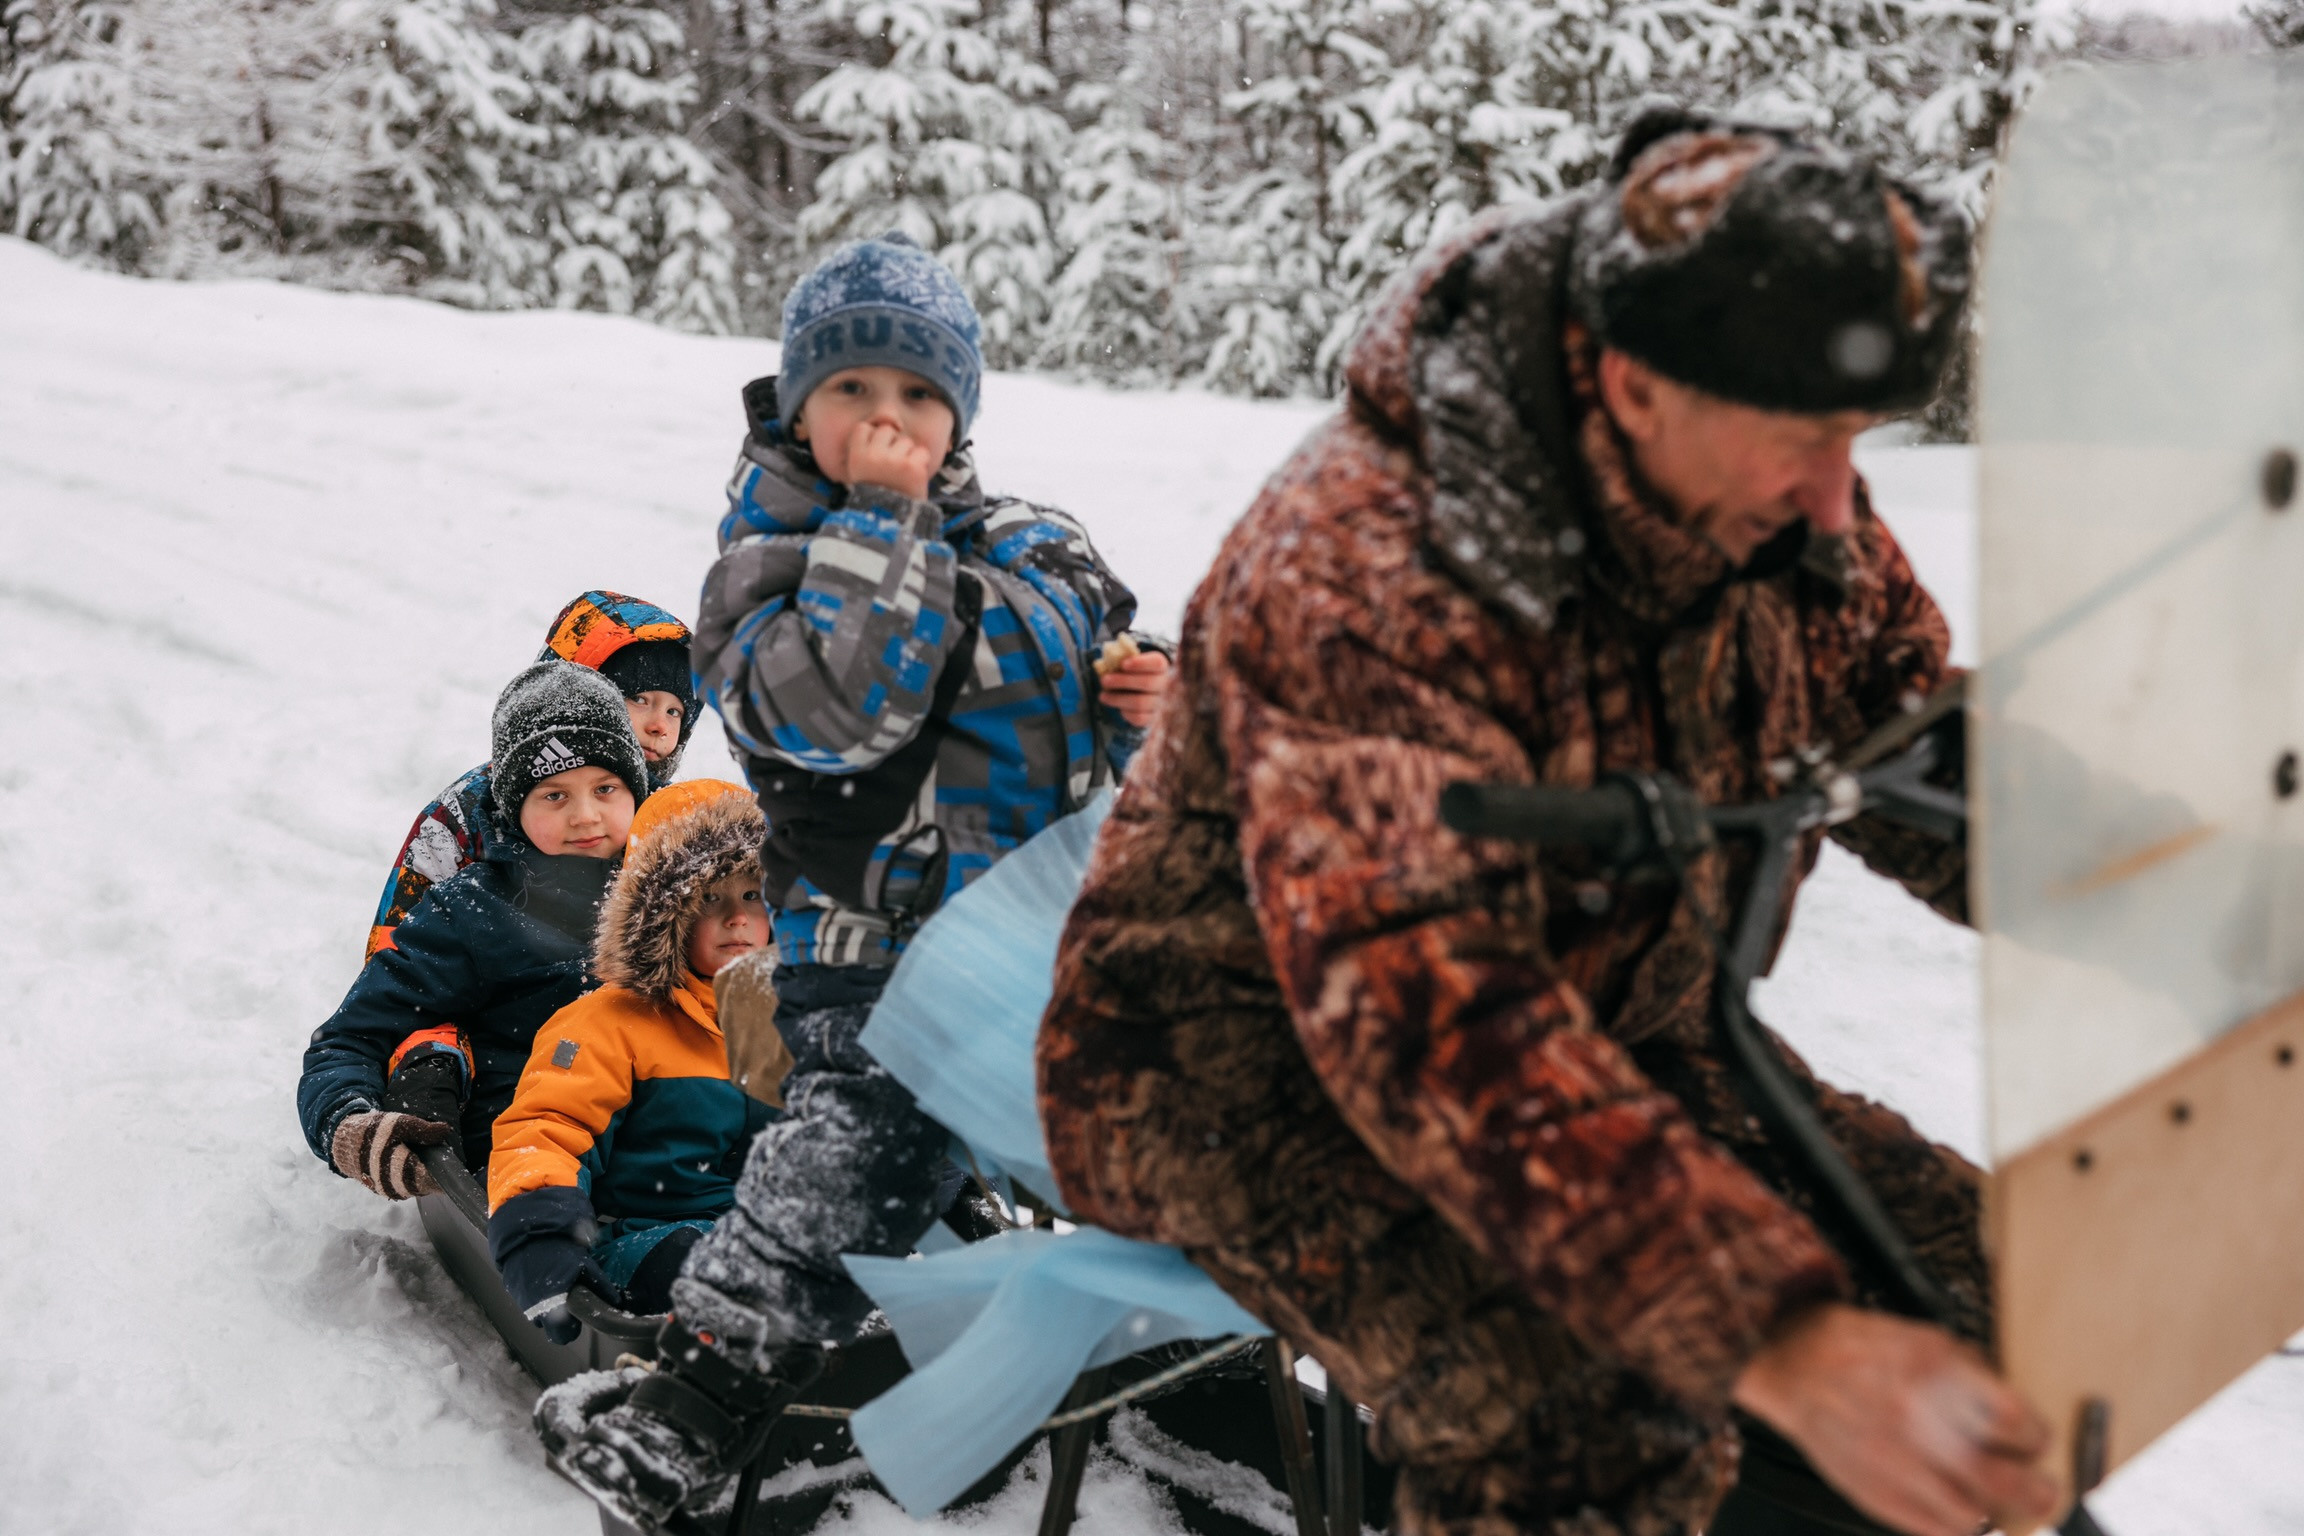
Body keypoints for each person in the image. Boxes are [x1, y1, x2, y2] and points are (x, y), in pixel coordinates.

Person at [1032, 109, 2059, 1536]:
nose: (1840, 497)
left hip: (1616, 1027)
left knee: (2001, 1297)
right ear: (1634, 385)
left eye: (1857, 441)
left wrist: (2195, 904)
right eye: (1804, 439)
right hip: (1247, 1071)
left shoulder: (1776, 510)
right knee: (1589, 1420)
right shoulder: (1365, 565)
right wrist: (1785, 1340)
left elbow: (1911, 736)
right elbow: (1428, 1016)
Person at [533, 231, 1172, 1527]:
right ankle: (698, 1393)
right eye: (854, 391)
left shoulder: (1031, 546)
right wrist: (882, 522)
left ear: (962, 414)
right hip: (881, 957)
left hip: (1043, 934)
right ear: (797, 406)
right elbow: (839, 716)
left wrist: (1139, 702)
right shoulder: (763, 572)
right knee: (875, 1149)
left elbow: (1074, 745)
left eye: (920, 395)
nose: (890, 419)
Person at [299, 660, 651, 1199]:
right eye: (554, 795)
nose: (585, 816)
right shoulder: (472, 911)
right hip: (532, 1148)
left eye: (605, 788)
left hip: (672, 1137)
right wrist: (350, 1122)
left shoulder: (680, 889)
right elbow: (352, 1038)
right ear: (514, 808)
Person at [486, 782, 783, 1339]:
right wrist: (543, 1239)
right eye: (710, 899)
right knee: (711, 1263)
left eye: (752, 895)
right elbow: (549, 1130)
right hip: (650, 1241)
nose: (737, 918)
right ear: (663, 916)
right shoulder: (607, 1022)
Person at [365, 589, 698, 962]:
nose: (659, 725)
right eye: (639, 699)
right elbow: (397, 952)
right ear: (580, 688)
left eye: (675, 712)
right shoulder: (471, 809)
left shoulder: (673, 816)